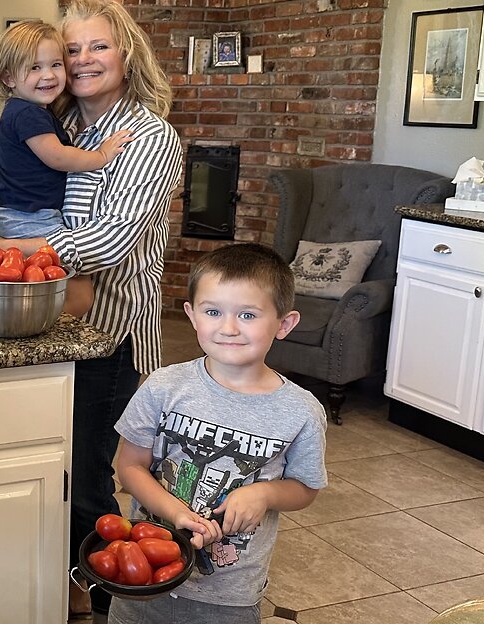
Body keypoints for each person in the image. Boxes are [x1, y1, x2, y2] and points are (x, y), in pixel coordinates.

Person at [0, 0, 183, 623]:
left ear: (126, 54)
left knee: (86, 473)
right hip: (46, 320)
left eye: (99, 46)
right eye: (73, 48)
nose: (83, 59)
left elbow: (114, 237)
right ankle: (47, 580)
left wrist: (17, 249)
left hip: (107, 331)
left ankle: (89, 597)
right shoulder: (53, 121)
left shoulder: (148, 136)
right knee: (45, 460)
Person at [111, 243, 327, 624]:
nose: (228, 328)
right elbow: (130, 467)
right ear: (192, 316)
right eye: (213, 312)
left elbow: (305, 488)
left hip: (230, 592)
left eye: (247, 314)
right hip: (143, 571)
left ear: (284, 324)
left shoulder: (301, 411)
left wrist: (263, 493)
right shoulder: (163, 386)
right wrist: (175, 512)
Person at [0, 20, 129, 316]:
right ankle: (47, 344)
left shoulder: (33, 111)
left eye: (55, 64)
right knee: (78, 292)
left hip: (18, 212)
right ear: (8, 78)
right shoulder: (29, 114)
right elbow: (59, 158)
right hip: (30, 217)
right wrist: (101, 156)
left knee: (32, 284)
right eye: (34, 68)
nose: (48, 75)